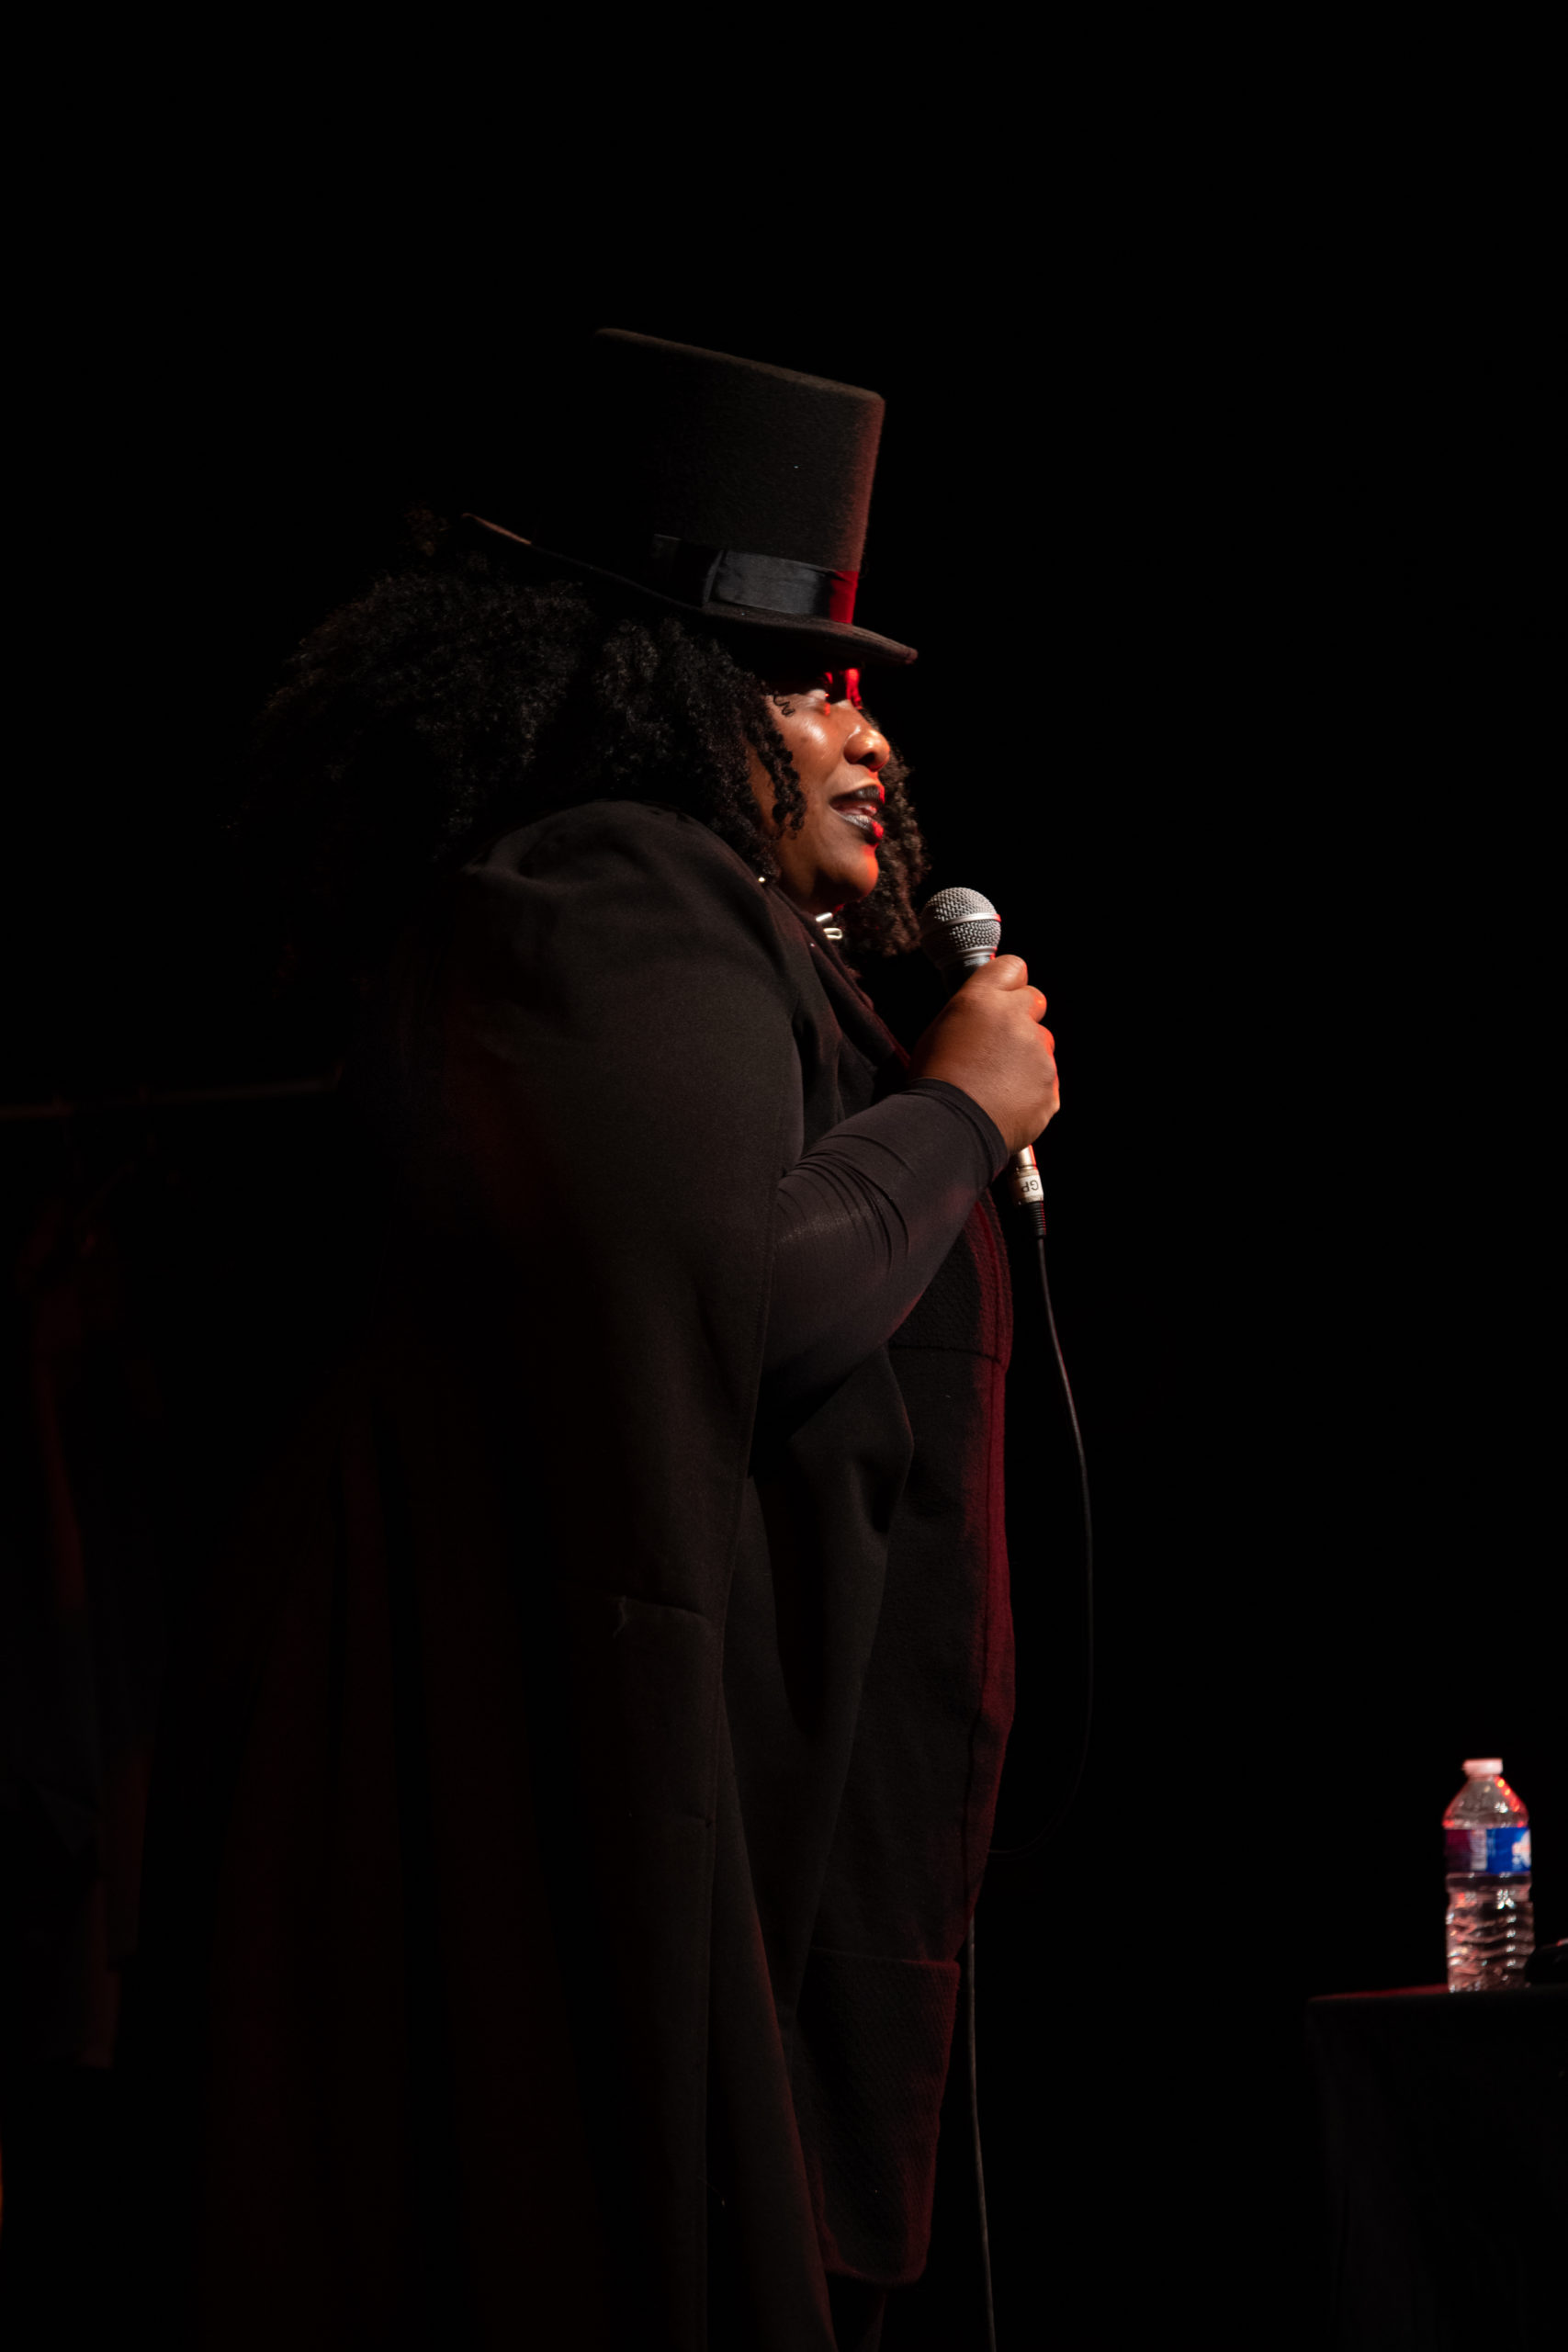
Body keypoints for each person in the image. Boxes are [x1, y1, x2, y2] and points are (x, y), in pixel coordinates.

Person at [130, 330, 1058, 2352]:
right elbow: (740, 1298)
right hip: (594, 1836)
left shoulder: (717, 939)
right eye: (802, 688)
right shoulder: (611, 890)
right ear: (653, 693)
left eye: (859, 689)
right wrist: (957, 1113)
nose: (865, 735)